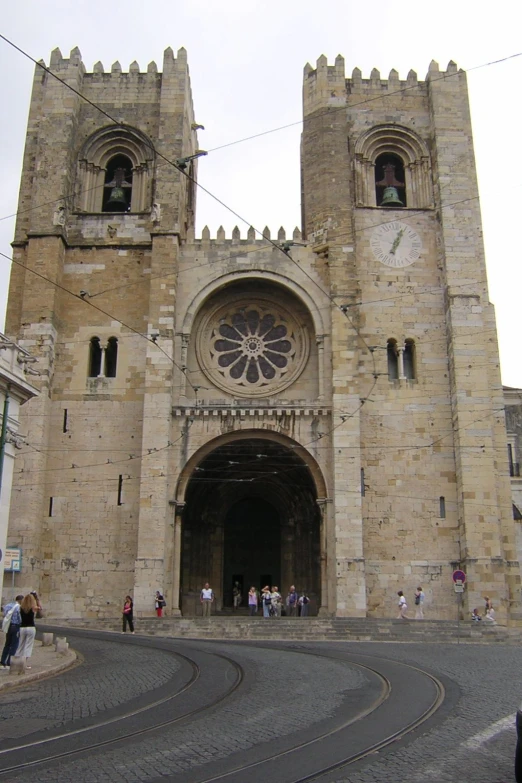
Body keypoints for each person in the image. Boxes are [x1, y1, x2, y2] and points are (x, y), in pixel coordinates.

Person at [13, 593, 37, 669]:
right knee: (28, 646)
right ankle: (24, 663)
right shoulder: (33, 608)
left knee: (20, 645)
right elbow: (40, 611)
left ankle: (16, 662)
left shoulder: (21, 608)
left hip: (22, 628)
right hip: (31, 627)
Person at [1, 594, 24, 668]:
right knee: (14, 645)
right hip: (16, 626)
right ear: (20, 600)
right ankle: (9, 662)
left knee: (7, 644)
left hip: (8, 627)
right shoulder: (18, 607)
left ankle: (2, 661)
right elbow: (20, 619)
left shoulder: (8, 606)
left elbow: (4, 615)